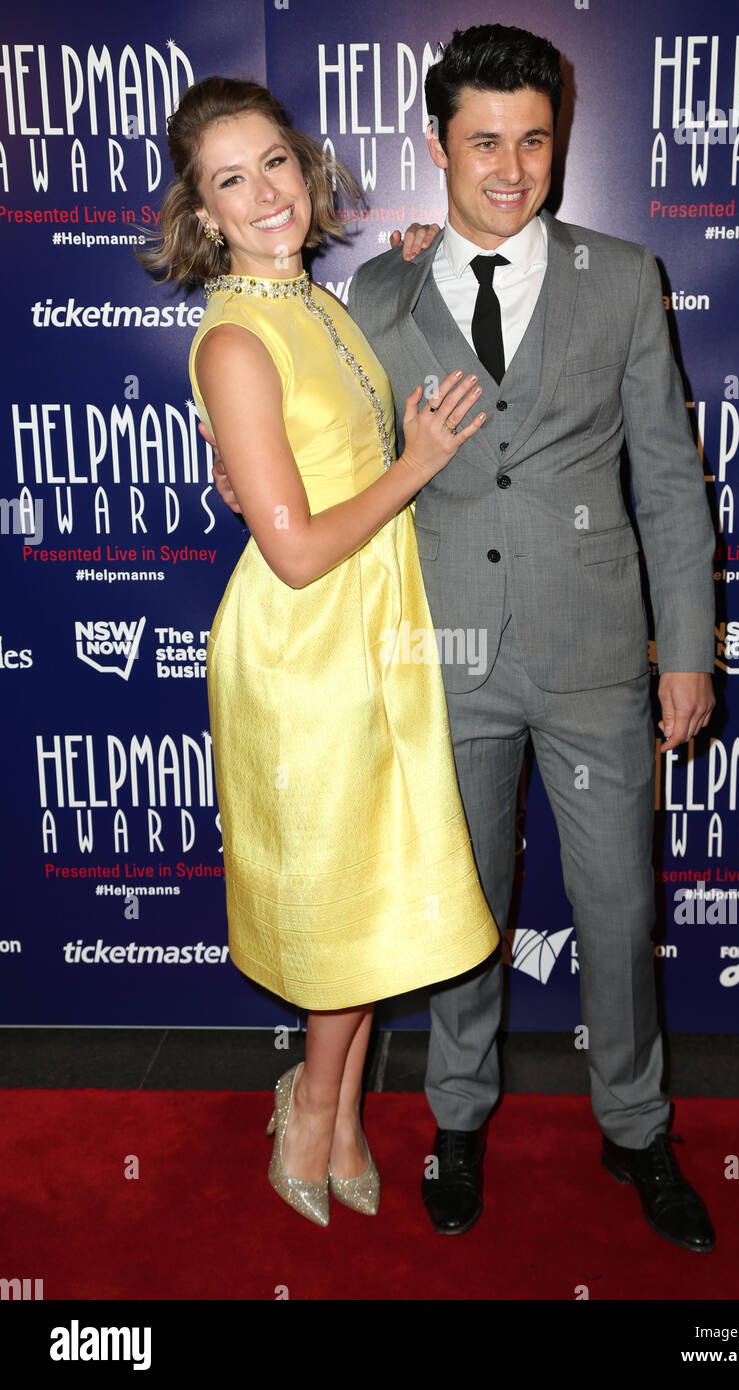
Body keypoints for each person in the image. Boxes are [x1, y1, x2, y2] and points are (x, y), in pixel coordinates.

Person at [212, 24, 719, 1253]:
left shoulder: (622, 275)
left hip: (597, 652)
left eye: (532, 140)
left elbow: (666, 476)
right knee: (456, 914)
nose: (508, 167)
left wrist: (684, 648)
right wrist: (241, 475)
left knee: (615, 907)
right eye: (482, 140)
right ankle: (455, 1122)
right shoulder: (373, 295)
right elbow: (310, 433)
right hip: (434, 659)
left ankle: (636, 1131)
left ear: (557, 146)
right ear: (435, 144)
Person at [137, 74, 500, 1230]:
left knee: (371, 891)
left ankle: (332, 1106)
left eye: (274, 164)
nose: (263, 194)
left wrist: (409, 257)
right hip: (306, 645)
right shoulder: (238, 341)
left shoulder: (324, 304)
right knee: (336, 898)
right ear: (202, 216)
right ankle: (309, 1107)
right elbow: (292, 553)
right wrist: (417, 462)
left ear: (308, 168)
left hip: (375, 628)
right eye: (228, 181)